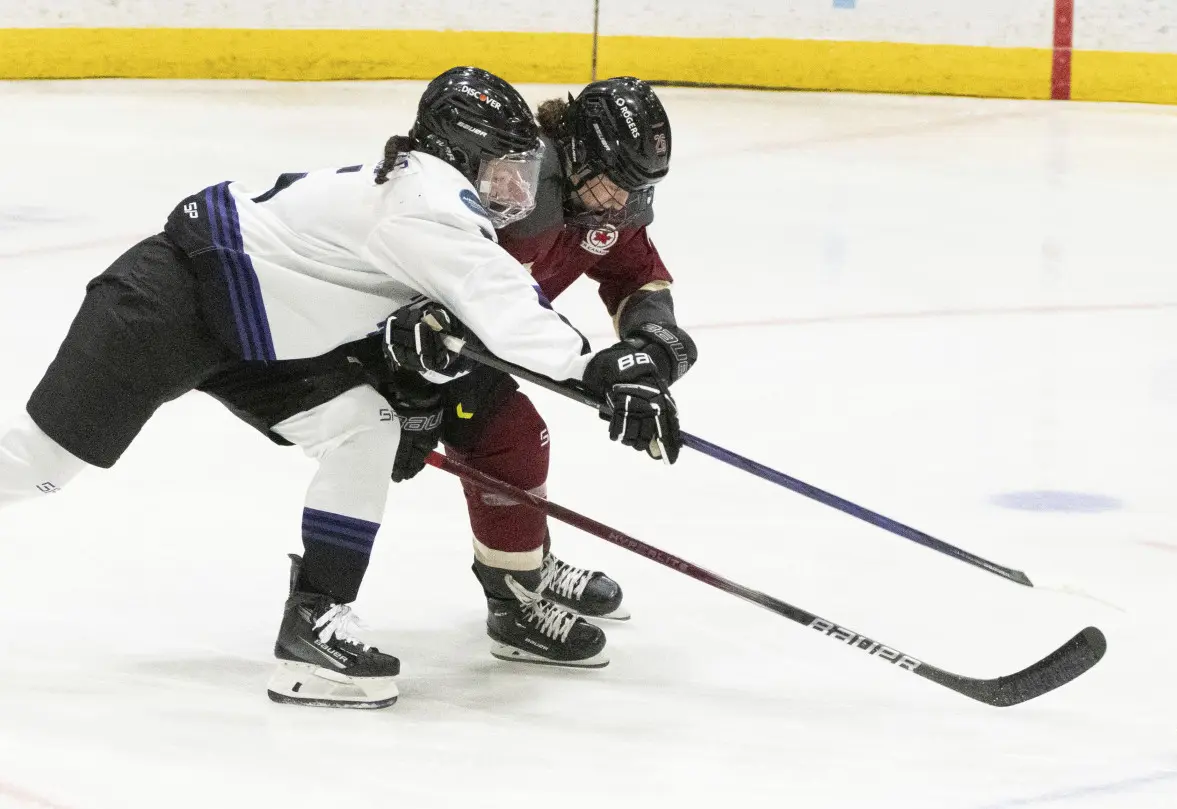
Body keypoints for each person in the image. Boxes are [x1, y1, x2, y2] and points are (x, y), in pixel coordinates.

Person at [0, 66, 681, 709]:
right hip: (168, 304)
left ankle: (312, 628)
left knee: (366, 423)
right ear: (464, 153)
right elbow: (501, 301)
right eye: (503, 168)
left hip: (257, 331)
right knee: (39, 468)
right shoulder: (429, 203)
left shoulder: (438, 192)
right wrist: (601, 372)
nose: (518, 189)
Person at [410, 76, 699, 666]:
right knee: (513, 437)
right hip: (419, 343)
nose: (622, 203)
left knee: (512, 436)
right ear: (576, 154)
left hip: (482, 341)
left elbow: (637, 276)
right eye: (614, 184)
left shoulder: (597, 194)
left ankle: (525, 564)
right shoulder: (510, 189)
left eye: (636, 189)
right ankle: (514, 604)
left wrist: (650, 348)